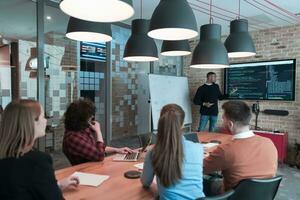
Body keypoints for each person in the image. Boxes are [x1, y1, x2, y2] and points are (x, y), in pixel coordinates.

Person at [0, 100, 79, 200]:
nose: (46, 120)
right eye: (43, 116)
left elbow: (21, 188)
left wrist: (57, 185)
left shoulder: (6, 155)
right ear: (32, 122)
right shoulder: (38, 161)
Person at [204, 100, 278, 194]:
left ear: (230, 124)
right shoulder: (269, 143)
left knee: (203, 181)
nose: (222, 121)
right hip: (263, 194)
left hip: (232, 196)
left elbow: (200, 168)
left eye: (223, 118)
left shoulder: (226, 150)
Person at [141, 104, 205, 200]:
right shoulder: (198, 148)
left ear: (161, 122)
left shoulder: (153, 152)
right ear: (182, 124)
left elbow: (145, 183)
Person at [63, 99, 134, 165]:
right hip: (85, 172)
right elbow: (99, 155)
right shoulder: (73, 137)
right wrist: (98, 131)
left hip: (95, 166)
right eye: (89, 115)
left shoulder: (82, 129)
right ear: (81, 118)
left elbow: (97, 147)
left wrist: (117, 150)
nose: (92, 117)